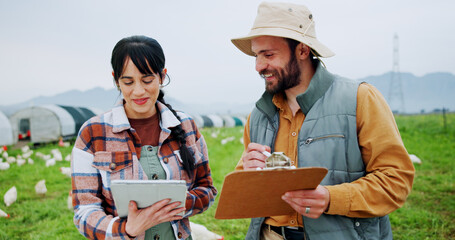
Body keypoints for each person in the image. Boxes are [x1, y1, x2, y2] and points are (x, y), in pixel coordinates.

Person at [231, 2, 415, 240]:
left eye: (269, 54)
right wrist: (246, 174)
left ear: (303, 50)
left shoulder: (360, 98)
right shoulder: (258, 115)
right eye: (256, 55)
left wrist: (331, 199)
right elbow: (241, 196)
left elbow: (396, 181)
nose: (258, 66)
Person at [71, 35, 217, 240]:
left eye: (147, 80)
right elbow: (84, 211)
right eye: (128, 82)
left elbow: (207, 189)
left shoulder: (186, 126)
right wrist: (126, 229)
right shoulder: (93, 133)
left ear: (162, 77)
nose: (138, 91)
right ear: (116, 80)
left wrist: (181, 202)